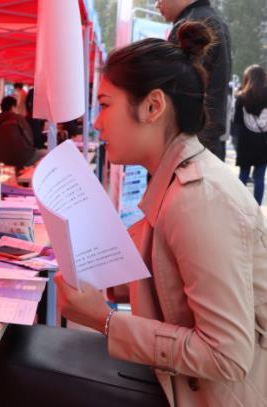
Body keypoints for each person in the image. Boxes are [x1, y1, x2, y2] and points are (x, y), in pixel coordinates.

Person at [55, 22, 267, 406]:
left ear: (153, 106)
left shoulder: (199, 200)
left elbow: (227, 355)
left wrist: (105, 320)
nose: (98, 122)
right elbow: (173, 285)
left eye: (104, 105)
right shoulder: (175, 184)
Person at [157, 0, 232, 161]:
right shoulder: (210, 20)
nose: (157, 5)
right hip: (201, 144)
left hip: (190, 147)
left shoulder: (193, 24)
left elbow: (177, 92)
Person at [233, 64, 267, 205]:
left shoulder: (241, 97)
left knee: (243, 175)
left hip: (245, 142)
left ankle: (241, 207)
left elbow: (237, 120)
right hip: (264, 142)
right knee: (259, 178)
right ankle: (256, 209)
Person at [0, 96, 46, 168]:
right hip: (22, 157)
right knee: (47, 153)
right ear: (12, 107)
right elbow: (30, 140)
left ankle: (18, 173)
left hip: (2, 157)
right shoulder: (18, 118)